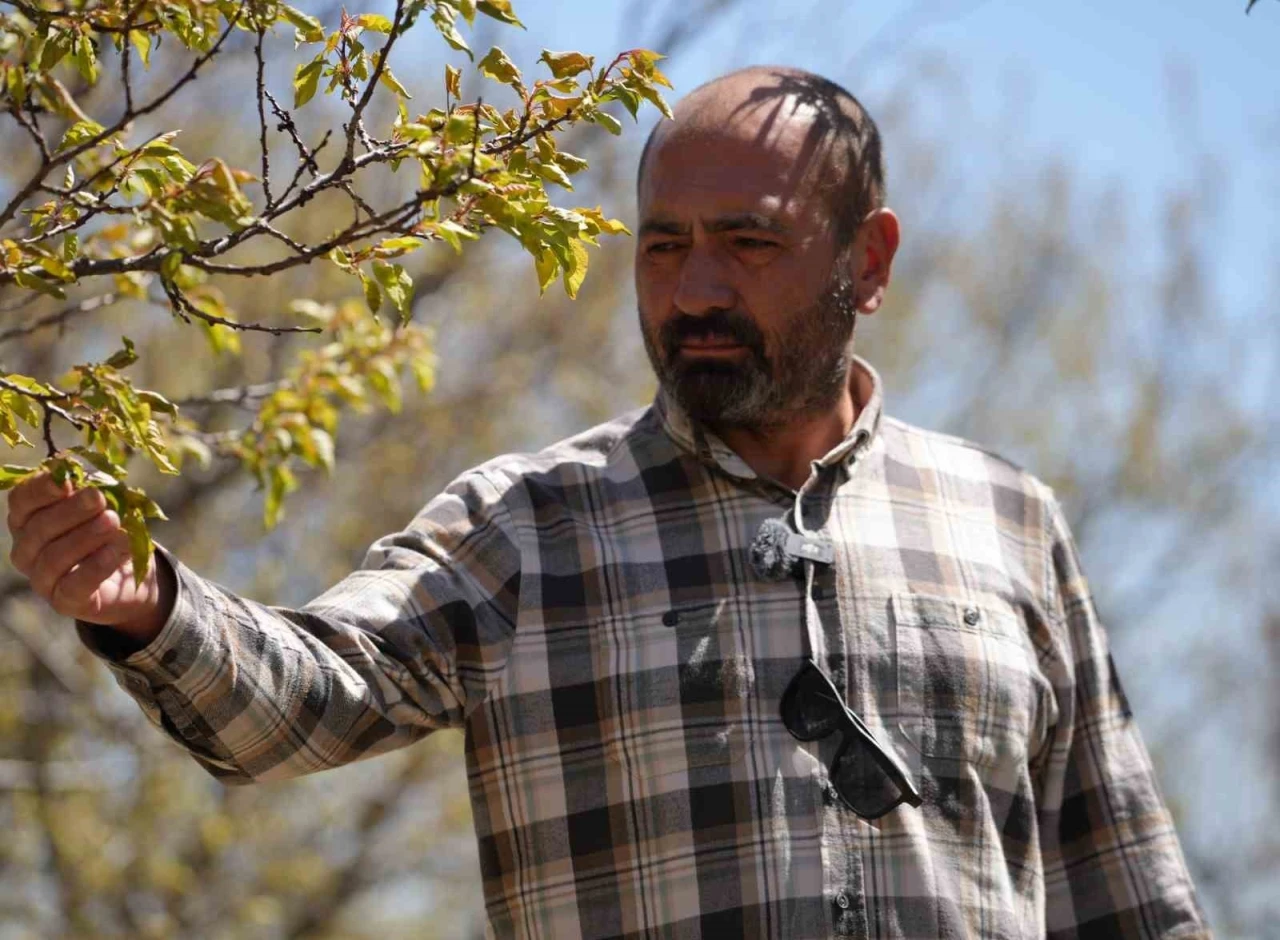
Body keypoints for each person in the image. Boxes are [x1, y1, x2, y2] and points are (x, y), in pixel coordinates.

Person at [5, 66, 1210, 939]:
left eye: (748, 243)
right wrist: (148, 607)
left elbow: (1129, 895)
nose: (694, 289)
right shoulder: (528, 525)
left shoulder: (1008, 521)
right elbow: (301, 699)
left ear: (869, 260)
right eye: (663, 244)